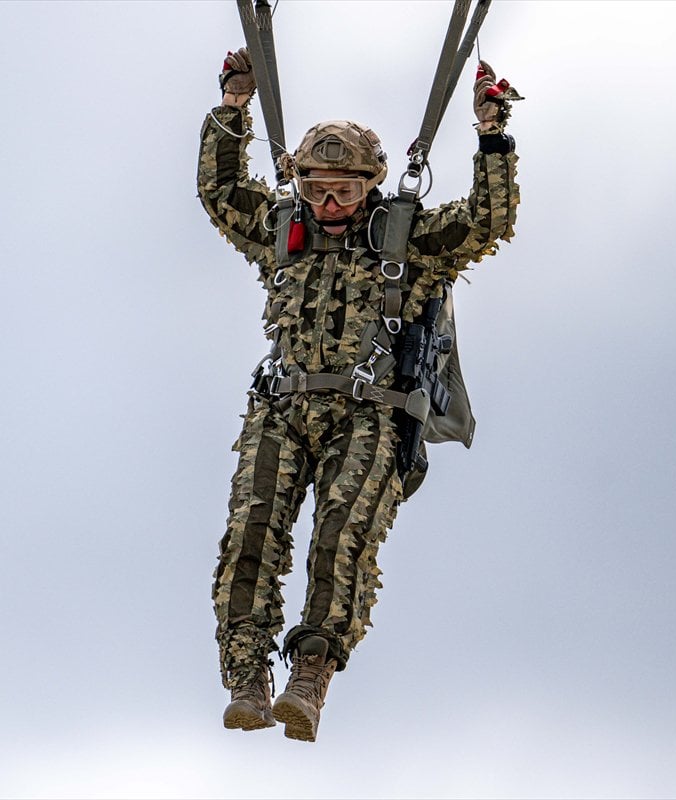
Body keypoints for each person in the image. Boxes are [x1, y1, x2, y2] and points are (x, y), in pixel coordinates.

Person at [197, 46, 521, 742]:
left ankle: (310, 675)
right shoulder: (282, 231)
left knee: (342, 541)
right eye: (316, 189)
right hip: (282, 408)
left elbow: (486, 220)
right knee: (250, 536)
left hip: (369, 415)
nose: (329, 204)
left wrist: (492, 136)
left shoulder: (407, 238)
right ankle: (247, 675)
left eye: (344, 190)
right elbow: (222, 195)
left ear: (371, 185)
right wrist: (232, 107)